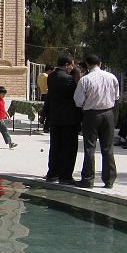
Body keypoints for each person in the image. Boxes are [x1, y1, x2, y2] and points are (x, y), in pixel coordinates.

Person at [73, 54, 119, 189]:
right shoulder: (112, 77)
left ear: (87, 65)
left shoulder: (85, 80)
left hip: (91, 114)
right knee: (108, 148)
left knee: (89, 147)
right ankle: (109, 180)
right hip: (108, 113)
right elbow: (116, 97)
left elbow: (78, 101)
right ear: (100, 63)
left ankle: (88, 179)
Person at [44, 56, 82, 184]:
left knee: (55, 146)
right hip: (69, 119)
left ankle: (52, 173)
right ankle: (65, 176)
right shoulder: (69, 79)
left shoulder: (51, 77)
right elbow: (76, 97)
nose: (72, 67)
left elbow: (50, 96)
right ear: (67, 65)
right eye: (71, 65)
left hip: (55, 117)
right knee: (69, 148)